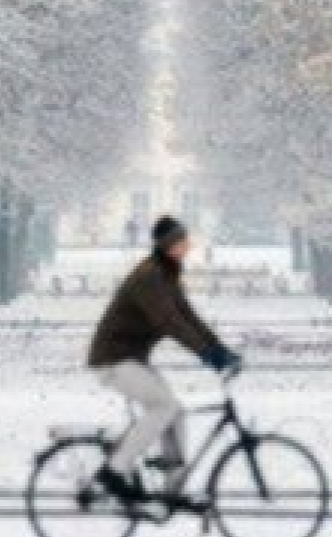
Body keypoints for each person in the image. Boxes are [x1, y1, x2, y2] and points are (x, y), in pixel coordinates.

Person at [87, 215, 239, 503]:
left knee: (175, 410)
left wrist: (219, 349)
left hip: (131, 359)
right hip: (113, 359)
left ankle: (172, 486)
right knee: (163, 406)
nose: (189, 245)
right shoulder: (150, 277)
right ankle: (114, 472)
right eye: (183, 241)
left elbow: (188, 316)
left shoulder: (166, 274)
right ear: (169, 245)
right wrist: (208, 354)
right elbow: (170, 322)